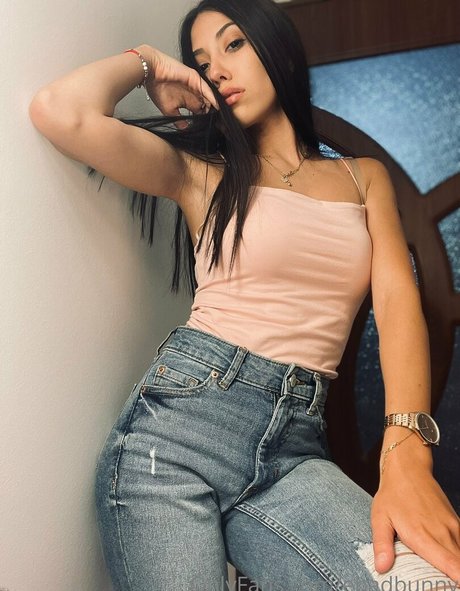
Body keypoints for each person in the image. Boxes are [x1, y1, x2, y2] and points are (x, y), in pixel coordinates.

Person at [29, 0, 460, 589]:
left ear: (277, 48)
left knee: (426, 581)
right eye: (203, 63)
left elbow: (397, 303)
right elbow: (59, 112)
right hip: (176, 441)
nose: (219, 71)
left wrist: (406, 446)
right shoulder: (200, 174)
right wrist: (151, 62)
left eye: (233, 45)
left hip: (295, 450)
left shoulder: (363, 177)